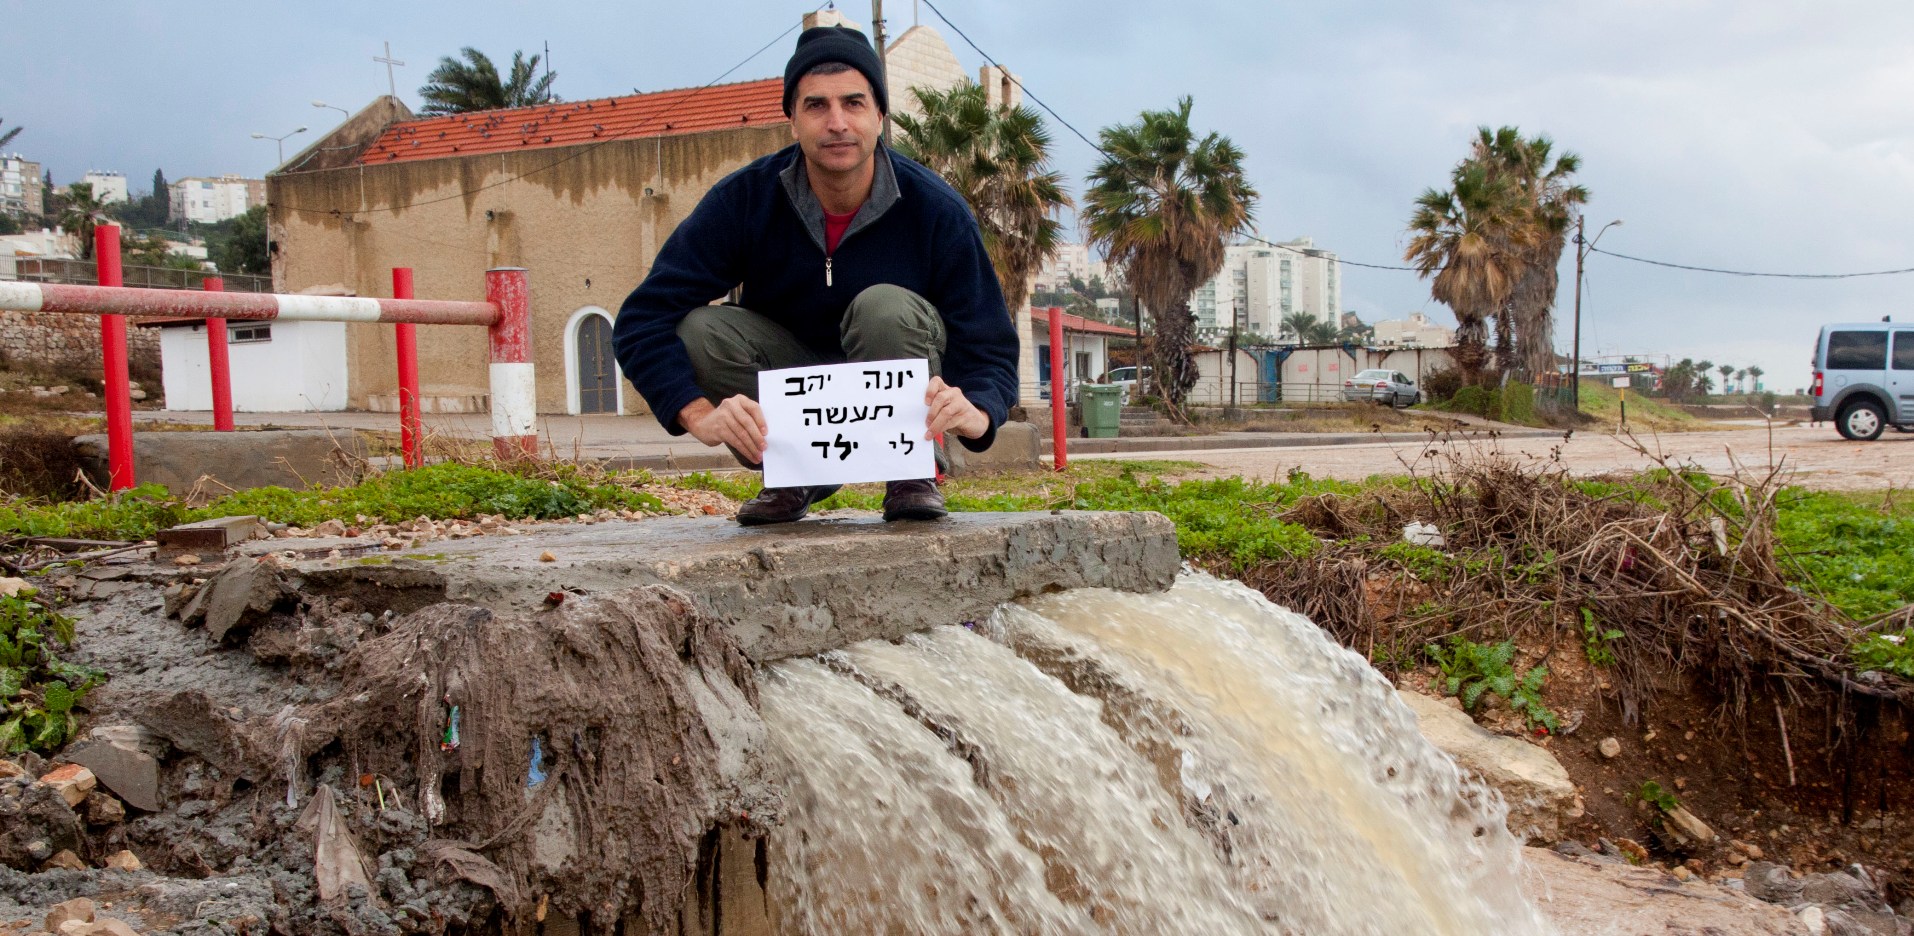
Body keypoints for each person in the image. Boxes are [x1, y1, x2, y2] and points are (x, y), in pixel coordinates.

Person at [613, 25, 1019, 526]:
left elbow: (991, 345)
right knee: (699, 330)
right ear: (791, 120)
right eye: (816, 106)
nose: (836, 123)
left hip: (891, 356)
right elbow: (641, 320)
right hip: (789, 369)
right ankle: (794, 471)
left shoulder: (936, 210)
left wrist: (978, 414)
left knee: (884, 308)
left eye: (853, 103)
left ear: (880, 116)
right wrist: (697, 414)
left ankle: (910, 473)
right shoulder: (745, 200)